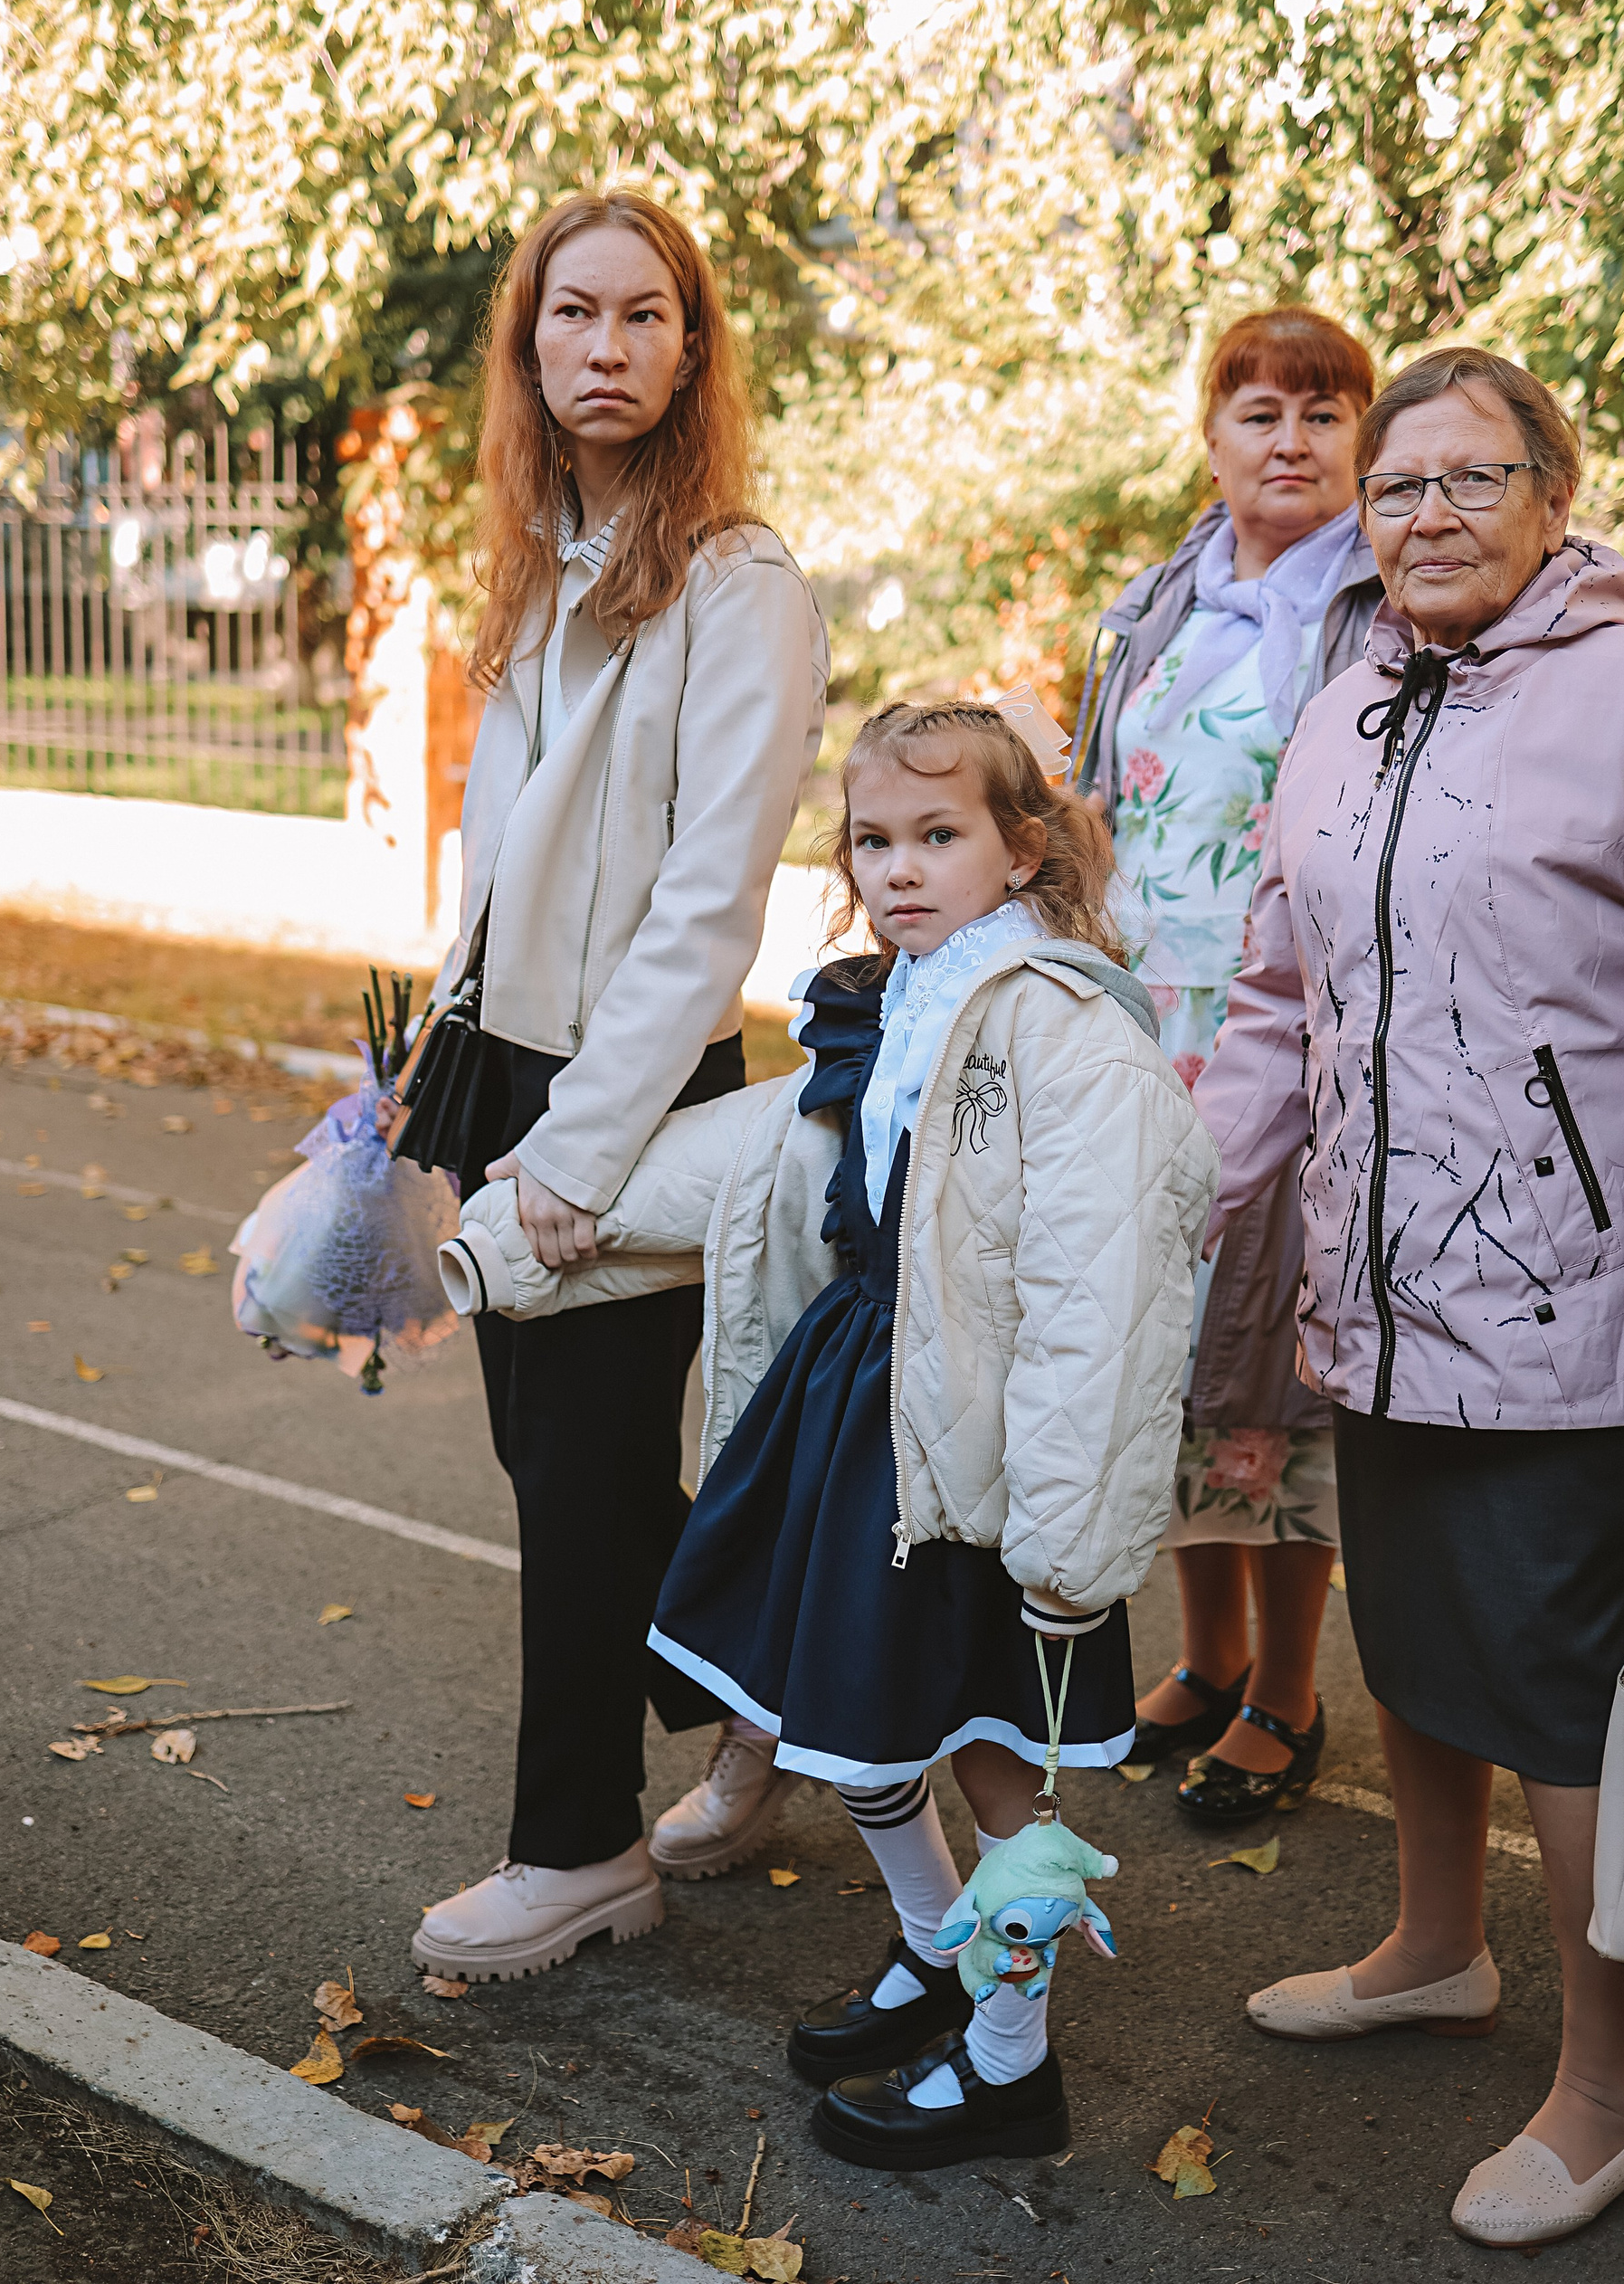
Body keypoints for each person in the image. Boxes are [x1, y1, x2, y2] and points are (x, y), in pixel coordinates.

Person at [455, 701, 1217, 2164]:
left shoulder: (1066, 1037)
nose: (899, 868)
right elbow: (758, 1153)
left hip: (980, 1443)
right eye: (873, 840)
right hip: (857, 1397)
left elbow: (1108, 1298)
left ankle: (1010, 2064)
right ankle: (937, 1942)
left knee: (992, 1762)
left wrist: (1067, 1536)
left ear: (1023, 850)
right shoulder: (889, 1000)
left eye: (940, 835)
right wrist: (546, 1195)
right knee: (839, 1719)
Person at [1195, 347, 1624, 2248]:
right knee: (1411, 1644)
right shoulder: (1346, 706)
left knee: (1564, 1699)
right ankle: (1435, 1947)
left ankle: (1611, 2086)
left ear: (1554, 494)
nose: (1431, 516)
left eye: (1473, 478)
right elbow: (1273, 1001)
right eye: (1398, 488)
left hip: (1577, 1303)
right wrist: (1176, 1202)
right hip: (1378, 1294)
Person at [406, 188, 828, 1984]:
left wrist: (579, 1151)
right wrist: (434, 1062)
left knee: (582, 1490)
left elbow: (708, 900)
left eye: (644, 315)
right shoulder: (538, 561)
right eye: (572, 315)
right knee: (550, 1466)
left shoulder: (741, 584)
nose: (607, 347)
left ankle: (580, 1852)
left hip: (627, 1083)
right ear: (528, 349)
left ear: (691, 348)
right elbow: (502, 850)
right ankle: (783, 1688)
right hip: (500, 1061)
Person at [1074, 309, 1382, 1824]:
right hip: (1146, 1019)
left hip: (1287, 1026)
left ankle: (1290, 1693)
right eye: (1261, 412)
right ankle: (1204, 1661)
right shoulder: (1164, 599)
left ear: (1363, 443)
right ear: (1212, 440)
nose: (1291, 441)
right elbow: (1101, 800)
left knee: (1277, 1351)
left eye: (1324, 415)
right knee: (1171, 1346)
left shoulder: (1374, 611)